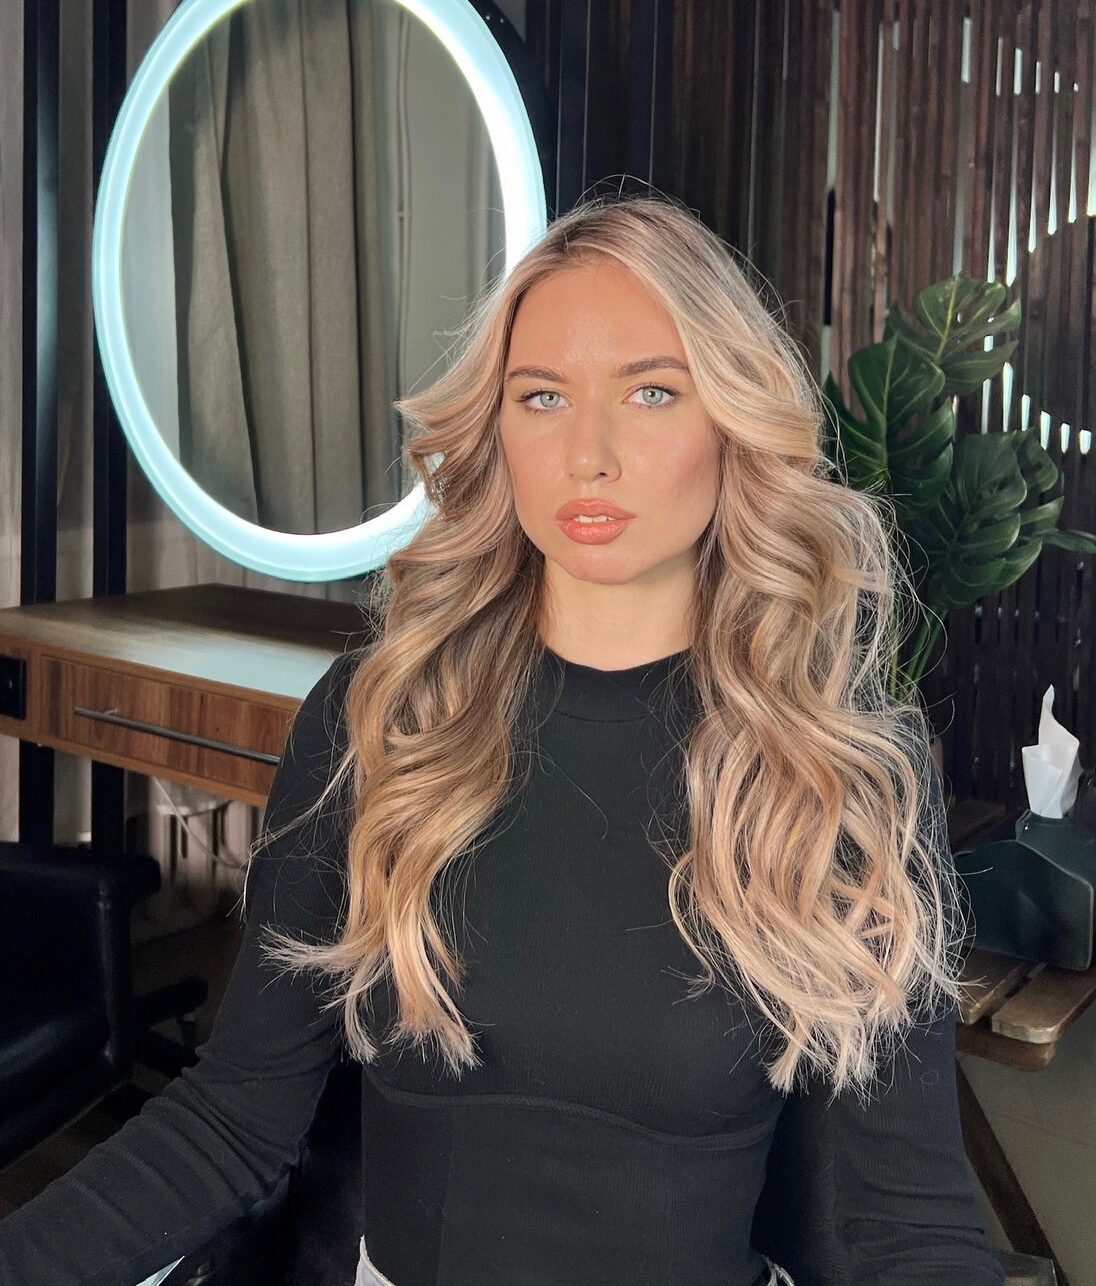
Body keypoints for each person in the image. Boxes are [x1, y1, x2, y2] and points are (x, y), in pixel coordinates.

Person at [0, 195, 1005, 1286]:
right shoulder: (381, 721)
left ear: (733, 423)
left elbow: (909, 1222)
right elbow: (232, 1118)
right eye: (542, 397)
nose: (588, 454)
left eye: (652, 392)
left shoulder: (839, 768)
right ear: (498, 431)